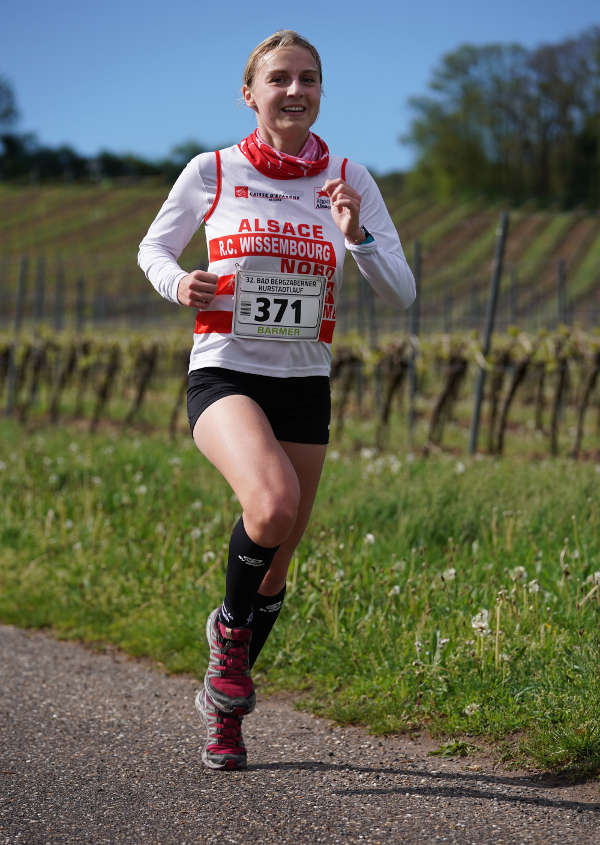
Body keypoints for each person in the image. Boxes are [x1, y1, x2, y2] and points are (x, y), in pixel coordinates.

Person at [138, 29, 415, 771]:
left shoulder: (350, 176)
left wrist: (356, 235)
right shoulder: (213, 170)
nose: (296, 91)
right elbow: (153, 249)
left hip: (304, 383)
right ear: (250, 92)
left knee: (275, 567)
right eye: (281, 79)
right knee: (270, 504)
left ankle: (223, 708)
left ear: (321, 90)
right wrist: (179, 283)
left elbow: (402, 290)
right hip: (225, 369)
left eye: (310, 79)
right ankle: (228, 633)